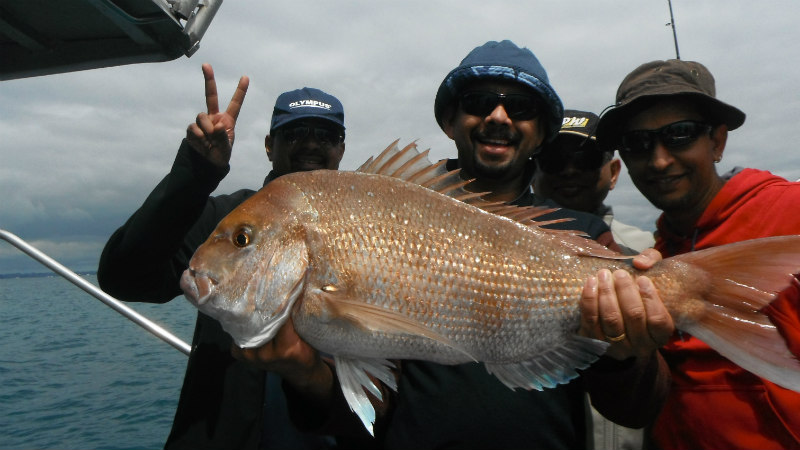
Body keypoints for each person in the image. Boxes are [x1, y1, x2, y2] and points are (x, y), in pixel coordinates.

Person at [236, 40, 673, 450]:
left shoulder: (583, 235)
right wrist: (303, 370)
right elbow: (365, 420)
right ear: (449, 121)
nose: (499, 117)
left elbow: (634, 410)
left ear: (541, 133)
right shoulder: (386, 216)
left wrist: (627, 354)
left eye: (520, 108)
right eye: (479, 103)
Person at [96, 63, 347, 450]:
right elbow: (124, 276)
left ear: (341, 149)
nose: (311, 143)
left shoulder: (366, 231)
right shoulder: (225, 222)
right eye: (294, 133)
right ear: (268, 146)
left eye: (326, 134)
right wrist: (197, 172)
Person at [594, 58, 800, 449]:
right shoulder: (653, 260)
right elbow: (641, 405)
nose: (659, 160)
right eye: (637, 143)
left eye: (681, 134)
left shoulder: (793, 212)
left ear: (718, 142)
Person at [533, 109, 655, 254]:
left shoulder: (647, 249)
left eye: (587, 159)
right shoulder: (502, 237)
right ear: (531, 174)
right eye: (553, 160)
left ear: (613, 172)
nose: (569, 171)